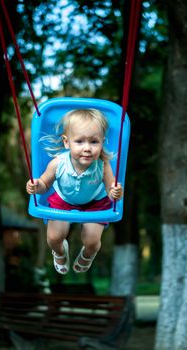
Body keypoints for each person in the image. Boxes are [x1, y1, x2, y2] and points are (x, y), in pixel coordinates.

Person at [26, 108, 123, 274]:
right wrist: (36, 186)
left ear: (102, 142)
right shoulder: (58, 163)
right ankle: (59, 251)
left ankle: (88, 253)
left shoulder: (102, 165)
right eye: (79, 141)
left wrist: (114, 191)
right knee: (54, 238)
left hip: (95, 202)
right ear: (66, 142)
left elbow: (109, 187)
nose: (87, 148)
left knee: (92, 241)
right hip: (63, 200)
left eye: (94, 142)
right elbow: (45, 184)